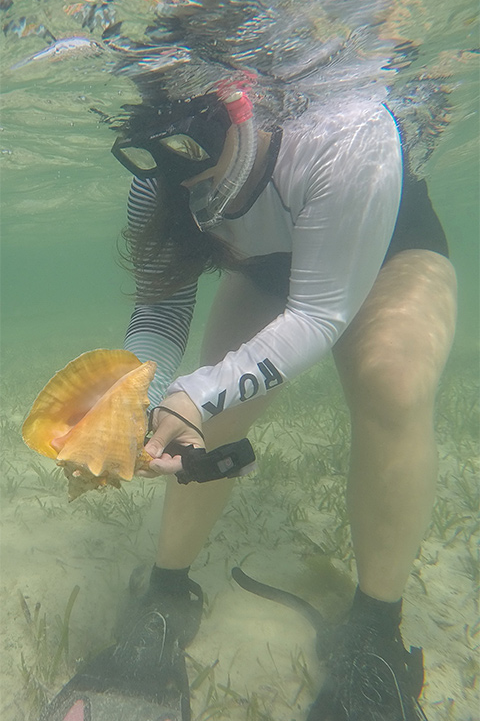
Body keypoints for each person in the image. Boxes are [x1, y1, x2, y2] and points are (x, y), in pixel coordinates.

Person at [104, 76, 457, 721]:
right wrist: (147, 400)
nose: (189, 183)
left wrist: (195, 393)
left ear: (244, 104)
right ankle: (166, 594)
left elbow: (321, 315)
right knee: (210, 403)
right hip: (269, 265)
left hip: (388, 250)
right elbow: (158, 316)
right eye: (165, 159)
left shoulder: (346, 129)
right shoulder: (158, 176)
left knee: (392, 382)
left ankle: (377, 632)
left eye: (199, 148)